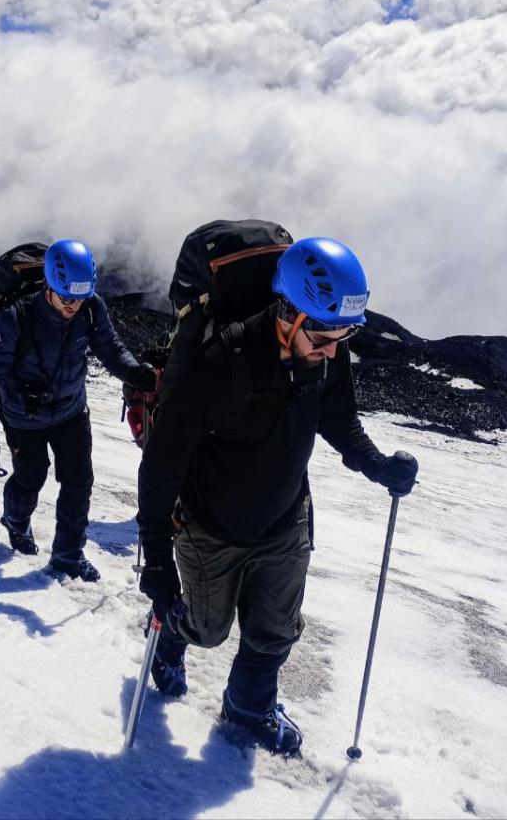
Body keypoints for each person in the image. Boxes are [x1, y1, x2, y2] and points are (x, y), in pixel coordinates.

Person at [134, 237, 418, 756]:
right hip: (211, 527)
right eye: (324, 334)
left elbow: (337, 417)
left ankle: (249, 708)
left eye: (346, 334)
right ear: (288, 311)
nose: (334, 349)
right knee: (206, 629)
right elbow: (161, 467)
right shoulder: (221, 365)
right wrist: (156, 560)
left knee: (275, 633)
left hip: (286, 519)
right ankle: (171, 633)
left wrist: (375, 464)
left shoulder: (326, 349)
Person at [0, 239, 157, 582]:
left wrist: (133, 371)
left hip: (71, 410)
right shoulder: (15, 319)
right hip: (22, 417)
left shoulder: (89, 307)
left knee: (78, 483)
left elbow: (109, 346)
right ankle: (15, 521)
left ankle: (68, 556)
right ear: (50, 287)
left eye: (80, 297)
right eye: (67, 297)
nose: (74, 305)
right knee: (30, 477)